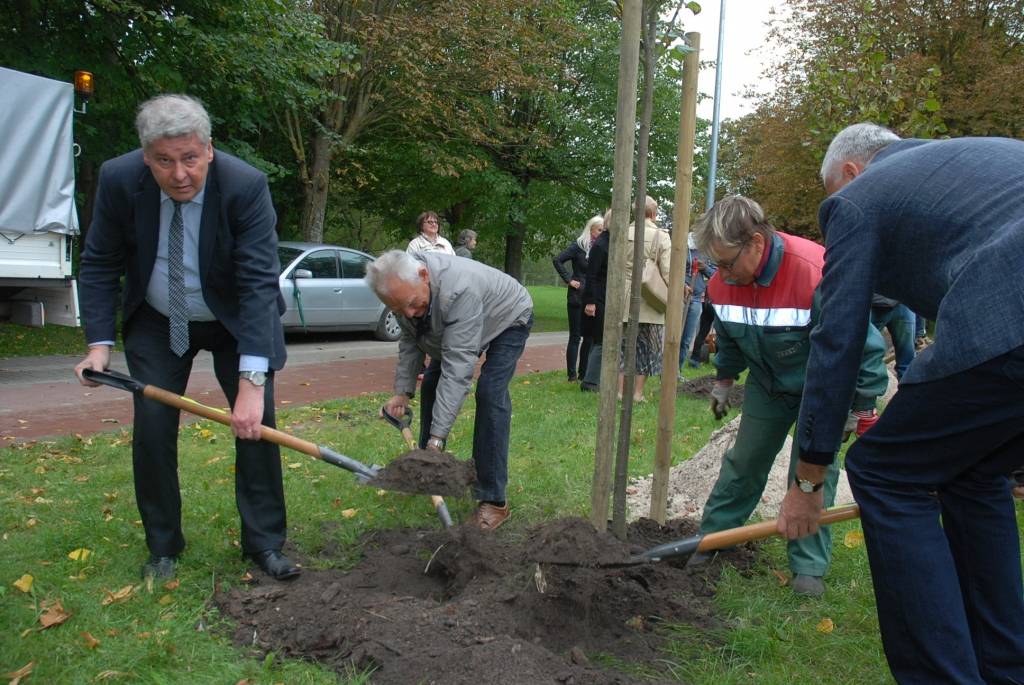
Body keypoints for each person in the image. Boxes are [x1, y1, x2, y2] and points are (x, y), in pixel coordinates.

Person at [780, 123, 1024, 683]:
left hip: (1010, 314)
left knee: (886, 471)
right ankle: (1006, 671)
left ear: (850, 172)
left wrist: (809, 481)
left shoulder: (859, 197)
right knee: (972, 472)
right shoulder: (978, 162)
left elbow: (837, 338)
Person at [73, 95, 299, 581]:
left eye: (190, 158)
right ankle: (163, 547)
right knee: (153, 427)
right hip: (158, 319)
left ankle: (264, 543)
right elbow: (99, 262)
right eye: (164, 161)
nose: (179, 174)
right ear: (145, 156)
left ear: (209, 149)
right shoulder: (118, 179)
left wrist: (251, 385)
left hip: (234, 319)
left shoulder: (245, 186)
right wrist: (98, 345)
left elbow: (258, 284)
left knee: (255, 424)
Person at [689, 195, 888, 598]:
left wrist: (860, 403)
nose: (722, 275)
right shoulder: (723, 284)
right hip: (767, 384)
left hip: (822, 389)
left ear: (756, 243)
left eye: (727, 263)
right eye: (716, 265)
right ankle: (715, 539)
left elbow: (864, 344)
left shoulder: (815, 270)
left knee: (812, 472)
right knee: (744, 460)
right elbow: (728, 335)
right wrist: (724, 379)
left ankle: (808, 567)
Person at [367, 251, 533, 531]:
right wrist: (402, 392)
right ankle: (425, 470)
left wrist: (438, 438)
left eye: (411, 304)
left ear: (424, 276)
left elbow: (458, 368)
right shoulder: (406, 292)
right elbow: (411, 341)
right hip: (457, 320)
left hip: (507, 316)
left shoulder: (460, 290)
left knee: (490, 393)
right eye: (399, 310)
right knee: (431, 382)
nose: (408, 314)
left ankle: (494, 500)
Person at [618, 196, 671, 403]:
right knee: (648, 348)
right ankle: (637, 393)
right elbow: (667, 271)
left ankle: (620, 391)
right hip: (651, 297)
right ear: (654, 214)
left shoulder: (622, 232)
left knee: (623, 346)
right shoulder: (661, 236)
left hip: (624, 295)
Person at [553, 215, 603, 382]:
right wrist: (569, 279)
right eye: (599, 230)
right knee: (575, 336)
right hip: (577, 296)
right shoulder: (578, 246)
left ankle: (584, 373)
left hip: (592, 296)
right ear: (591, 229)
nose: (601, 233)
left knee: (589, 337)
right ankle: (571, 375)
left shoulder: (599, 248)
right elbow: (558, 260)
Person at [580, 209, 612, 392]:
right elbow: (591, 275)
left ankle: (594, 378)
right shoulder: (601, 245)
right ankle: (590, 382)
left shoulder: (608, 242)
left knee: (600, 339)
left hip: (604, 295)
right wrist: (590, 302)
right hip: (598, 297)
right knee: (601, 340)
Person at [678, 234, 715, 376]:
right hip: (680, 297)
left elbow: (715, 275)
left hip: (697, 299)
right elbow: (671, 270)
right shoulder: (681, 248)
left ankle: (678, 371)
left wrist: (704, 268)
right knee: (675, 336)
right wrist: (682, 285)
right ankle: (668, 371)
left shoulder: (707, 251)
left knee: (686, 339)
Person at [869, 294, 915, 380]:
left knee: (907, 363)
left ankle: (908, 386)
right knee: (864, 358)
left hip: (902, 303)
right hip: (871, 306)